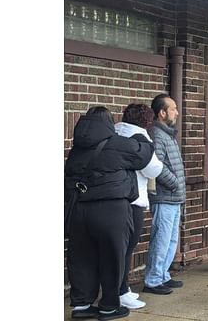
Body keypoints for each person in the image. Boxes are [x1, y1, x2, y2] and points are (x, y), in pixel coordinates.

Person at [65, 106, 155, 320]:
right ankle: (109, 306)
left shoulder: (77, 149)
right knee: (113, 257)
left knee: (81, 257)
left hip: (79, 209)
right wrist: (143, 136)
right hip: (111, 209)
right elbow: (144, 155)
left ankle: (82, 305)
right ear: (108, 123)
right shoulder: (118, 144)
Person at [114, 104, 163, 310]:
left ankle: (120, 289)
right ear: (146, 121)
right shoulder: (140, 138)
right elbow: (153, 169)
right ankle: (120, 291)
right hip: (134, 199)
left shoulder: (114, 133)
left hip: (113, 198)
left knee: (117, 250)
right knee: (126, 249)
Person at [144, 94, 186, 294]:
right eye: (173, 109)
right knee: (161, 239)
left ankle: (163, 275)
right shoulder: (157, 134)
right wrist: (175, 183)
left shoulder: (167, 134)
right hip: (164, 196)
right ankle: (153, 280)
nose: (176, 112)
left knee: (170, 240)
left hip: (173, 196)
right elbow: (157, 165)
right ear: (162, 113)